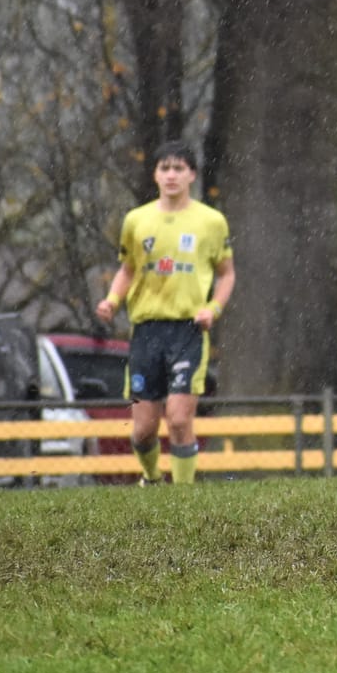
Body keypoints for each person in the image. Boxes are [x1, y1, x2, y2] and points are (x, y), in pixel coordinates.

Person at [93, 138, 233, 486]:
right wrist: (112, 300)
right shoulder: (136, 220)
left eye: (179, 169)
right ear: (156, 175)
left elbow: (227, 273)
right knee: (143, 430)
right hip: (146, 333)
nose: (171, 175)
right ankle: (152, 478)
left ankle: (183, 495)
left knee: (180, 420)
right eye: (165, 168)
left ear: (192, 175)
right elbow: (128, 269)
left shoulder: (211, 222)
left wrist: (213, 309)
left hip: (188, 332)